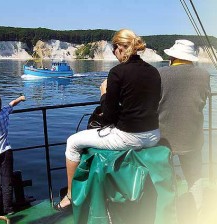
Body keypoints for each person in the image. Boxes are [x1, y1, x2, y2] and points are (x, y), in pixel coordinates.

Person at [54, 29, 161, 211]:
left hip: (129, 137)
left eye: (114, 50)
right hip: (153, 135)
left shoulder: (117, 72)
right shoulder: (154, 72)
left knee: (72, 142)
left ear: (120, 48)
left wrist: (104, 94)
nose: (115, 54)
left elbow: (109, 117)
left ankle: (71, 196)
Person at [157, 40, 211, 215]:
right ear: (191, 58)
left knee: (166, 179)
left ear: (172, 56)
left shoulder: (160, 74)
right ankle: (197, 213)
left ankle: (169, 212)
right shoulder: (204, 75)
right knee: (195, 178)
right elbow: (203, 99)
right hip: (193, 137)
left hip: (164, 138)